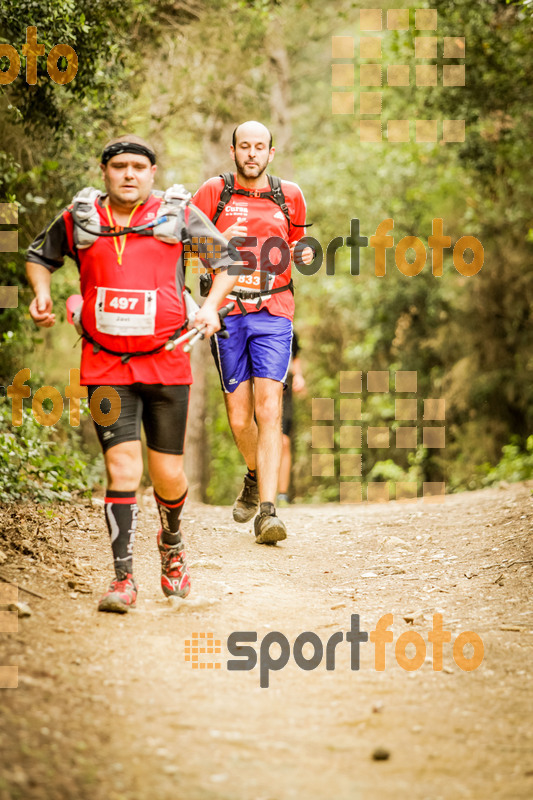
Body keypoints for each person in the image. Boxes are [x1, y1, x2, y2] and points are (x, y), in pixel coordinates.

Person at [26, 134, 241, 613]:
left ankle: (171, 545)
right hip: (105, 364)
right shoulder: (79, 217)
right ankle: (123, 580)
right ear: (104, 171)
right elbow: (40, 257)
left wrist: (209, 309)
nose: (128, 174)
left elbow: (227, 262)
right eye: (119, 165)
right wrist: (42, 294)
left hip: (168, 361)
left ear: (152, 173)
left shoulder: (178, 213)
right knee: (123, 468)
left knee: (167, 474)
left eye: (138, 167)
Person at [192, 120, 312, 544]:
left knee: (270, 410)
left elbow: (298, 246)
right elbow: (185, 244)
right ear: (233, 151)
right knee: (240, 418)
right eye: (245, 146)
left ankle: (268, 512)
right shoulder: (214, 191)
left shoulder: (289, 195)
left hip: (275, 310)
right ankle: (256, 474)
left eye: (260, 147)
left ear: (270, 153)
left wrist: (307, 252)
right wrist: (218, 241)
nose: (252, 154)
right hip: (226, 313)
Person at [277, 331, 305, 506]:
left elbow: (295, 357)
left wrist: (299, 376)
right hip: (261, 387)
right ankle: (258, 489)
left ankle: (282, 494)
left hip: (285, 391)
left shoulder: (291, 332)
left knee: (284, 442)